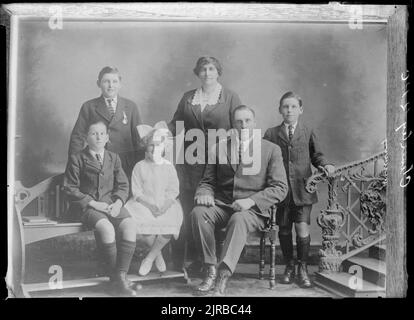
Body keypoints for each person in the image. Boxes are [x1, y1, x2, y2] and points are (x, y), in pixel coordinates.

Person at [191, 105, 288, 296]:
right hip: (223, 205)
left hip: (253, 211)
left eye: (247, 121)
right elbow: (207, 181)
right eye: (239, 121)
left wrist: (251, 201)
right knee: (198, 213)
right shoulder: (219, 147)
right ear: (233, 124)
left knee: (239, 219)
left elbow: (280, 188)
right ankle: (210, 268)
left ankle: (222, 276)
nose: (243, 125)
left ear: (254, 123)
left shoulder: (270, 150)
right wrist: (205, 193)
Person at [168, 56, 242, 272]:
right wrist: (162, 131)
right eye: (203, 69)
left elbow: (240, 126)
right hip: (189, 163)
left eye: (211, 69)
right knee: (188, 209)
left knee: (208, 211)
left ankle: (210, 262)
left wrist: (229, 138)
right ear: (197, 73)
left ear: (218, 72)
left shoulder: (229, 97)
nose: (207, 73)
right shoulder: (188, 97)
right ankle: (188, 262)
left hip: (218, 164)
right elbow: (176, 124)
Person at [263, 91, 335, 288]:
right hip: (280, 191)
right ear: (280, 109)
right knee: (284, 230)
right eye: (285, 106)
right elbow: (263, 160)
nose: (289, 110)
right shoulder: (271, 133)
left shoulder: (308, 131)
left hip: (303, 189)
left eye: (293, 106)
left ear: (300, 109)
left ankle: (302, 268)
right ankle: (289, 265)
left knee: (302, 228)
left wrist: (325, 165)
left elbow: (317, 155)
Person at [63, 120, 138, 296]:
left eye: (102, 134)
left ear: (107, 138)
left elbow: (123, 186)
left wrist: (118, 203)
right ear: (87, 138)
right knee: (106, 228)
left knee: (130, 226)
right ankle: (116, 280)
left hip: (111, 204)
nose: (98, 137)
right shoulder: (77, 158)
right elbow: (70, 188)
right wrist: (93, 203)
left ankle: (121, 276)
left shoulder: (114, 158)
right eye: (93, 133)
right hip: (86, 206)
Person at [124, 126, 183, 276]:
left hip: (164, 203)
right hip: (143, 203)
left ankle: (150, 257)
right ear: (146, 146)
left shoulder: (168, 167)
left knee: (171, 220)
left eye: (158, 145)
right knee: (142, 220)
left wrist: (165, 206)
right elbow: (136, 191)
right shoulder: (140, 166)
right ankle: (157, 254)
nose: (154, 148)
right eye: (151, 144)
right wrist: (149, 206)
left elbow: (173, 190)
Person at [68, 66, 143, 178]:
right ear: (98, 83)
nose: (111, 86)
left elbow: (139, 140)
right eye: (106, 81)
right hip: (97, 165)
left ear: (120, 84)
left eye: (114, 81)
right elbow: (77, 137)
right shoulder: (89, 107)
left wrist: (141, 167)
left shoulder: (131, 107)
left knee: (123, 193)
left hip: (126, 166)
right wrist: (75, 164)